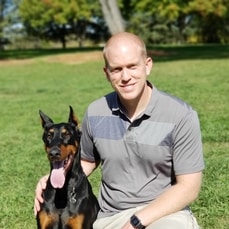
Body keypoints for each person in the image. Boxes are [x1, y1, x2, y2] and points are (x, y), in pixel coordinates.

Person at [34, 32, 204, 229]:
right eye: (116, 69)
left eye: (132, 66)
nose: (125, 77)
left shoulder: (180, 115)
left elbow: (188, 188)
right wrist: (54, 176)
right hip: (111, 217)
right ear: (107, 73)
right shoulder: (96, 112)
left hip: (163, 213)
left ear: (147, 65)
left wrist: (136, 222)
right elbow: (87, 161)